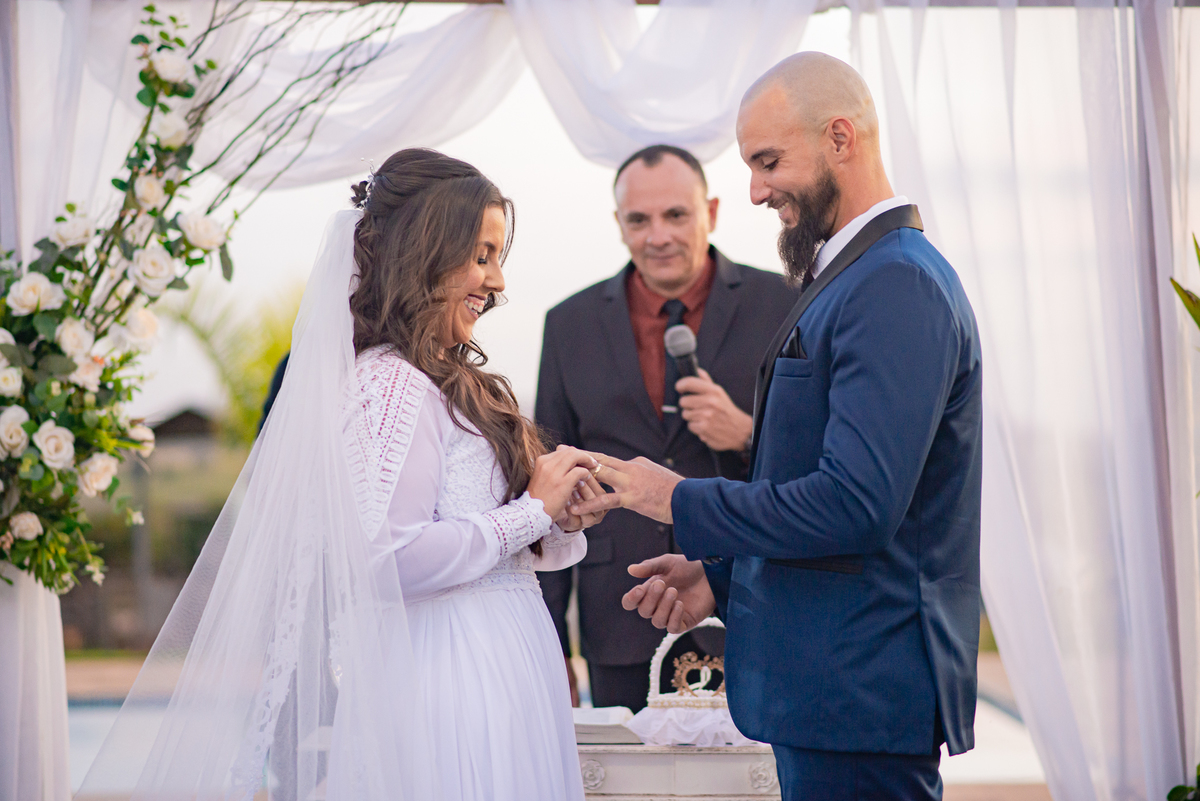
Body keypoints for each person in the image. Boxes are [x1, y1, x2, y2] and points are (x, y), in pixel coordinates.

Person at [77, 149, 603, 801]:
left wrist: (555, 514)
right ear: (427, 251)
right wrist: (528, 513)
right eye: (481, 255)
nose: (497, 282)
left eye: (498, 257)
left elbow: (481, 532)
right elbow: (388, 559)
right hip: (449, 671)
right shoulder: (390, 384)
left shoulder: (454, 381)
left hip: (505, 658)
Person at [571, 53, 983, 801]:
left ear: (840, 138)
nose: (756, 190)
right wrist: (720, 577)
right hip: (832, 695)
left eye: (767, 162)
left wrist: (679, 500)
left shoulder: (893, 283)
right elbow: (814, 486)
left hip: (856, 697)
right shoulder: (854, 275)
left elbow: (855, 504)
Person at [535, 144, 797, 711]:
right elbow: (545, 492)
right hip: (618, 611)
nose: (658, 235)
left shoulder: (783, 302)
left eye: (676, 215)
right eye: (639, 220)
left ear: (713, 211)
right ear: (619, 225)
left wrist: (747, 434)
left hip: (750, 602)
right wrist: (550, 642)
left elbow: (815, 462)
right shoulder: (568, 325)